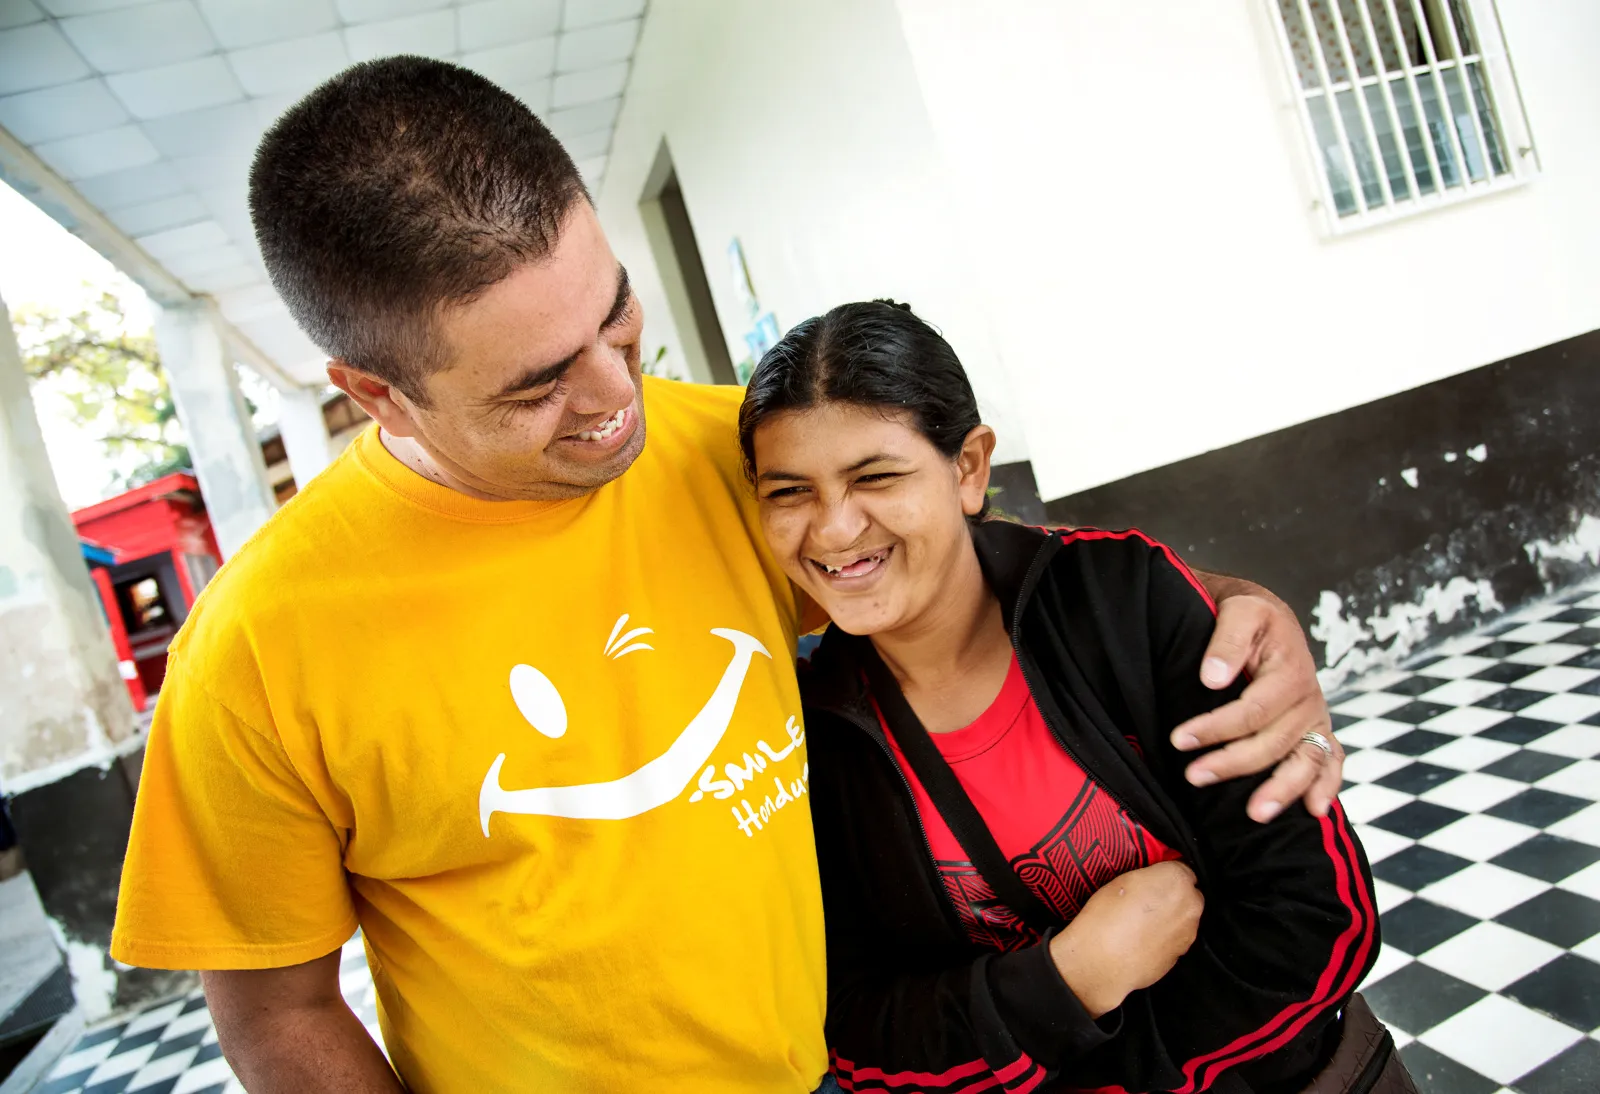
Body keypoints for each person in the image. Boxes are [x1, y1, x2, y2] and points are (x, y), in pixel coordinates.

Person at [111, 59, 1344, 1093]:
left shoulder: (725, 453)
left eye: (614, 315)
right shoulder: (258, 647)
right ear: (376, 393)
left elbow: (981, 562)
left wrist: (1242, 610)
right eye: (538, 381)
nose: (610, 398)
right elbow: (277, 1008)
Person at [739, 301, 1398, 1094]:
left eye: (876, 476)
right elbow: (862, 1027)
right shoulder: (808, 736)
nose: (835, 529)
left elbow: (1315, 917)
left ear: (969, 467)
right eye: (790, 493)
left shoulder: (1122, 604)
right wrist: (1066, 981)